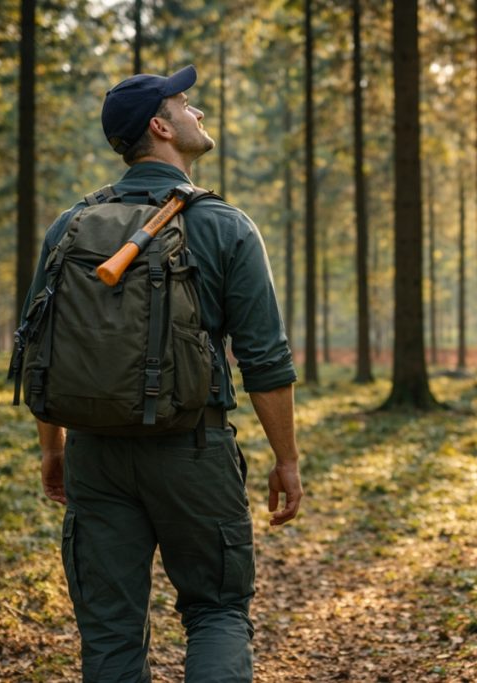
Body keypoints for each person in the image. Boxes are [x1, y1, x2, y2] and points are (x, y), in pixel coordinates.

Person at [21, 65, 303, 682]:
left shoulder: (69, 227)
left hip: (94, 456)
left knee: (111, 633)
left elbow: (40, 347)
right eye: (185, 104)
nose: (197, 113)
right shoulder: (225, 226)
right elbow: (265, 360)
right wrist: (287, 459)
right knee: (217, 610)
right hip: (192, 453)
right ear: (161, 127)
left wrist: (54, 447)